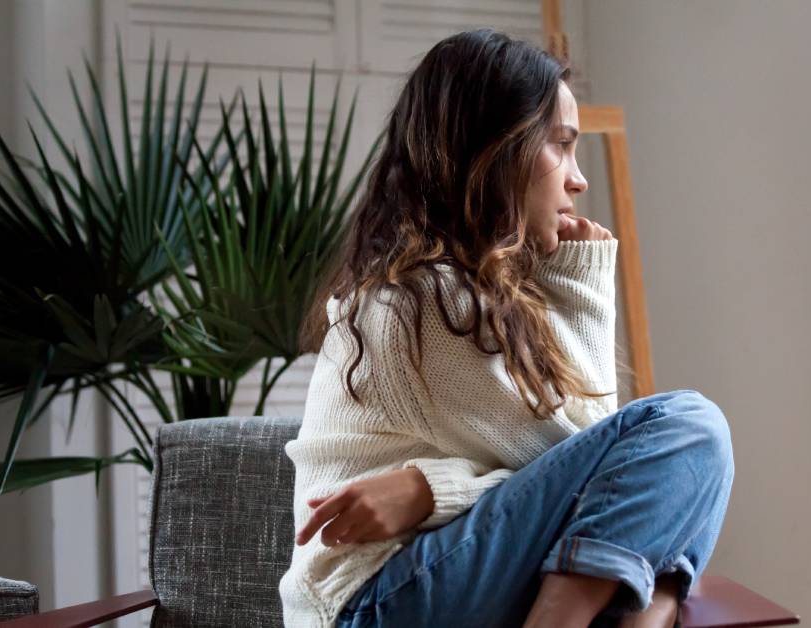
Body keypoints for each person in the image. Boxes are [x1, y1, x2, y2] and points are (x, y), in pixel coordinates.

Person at [279, 27, 734, 628]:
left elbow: (601, 479)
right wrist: (584, 280)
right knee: (690, 429)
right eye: (560, 146)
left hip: (424, 586)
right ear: (494, 151)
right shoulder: (421, 302)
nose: (579, 179)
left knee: (679, 482)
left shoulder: (475, 294)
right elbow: (600, 459)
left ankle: (650, 607)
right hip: (373, 603)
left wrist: (427, 490)